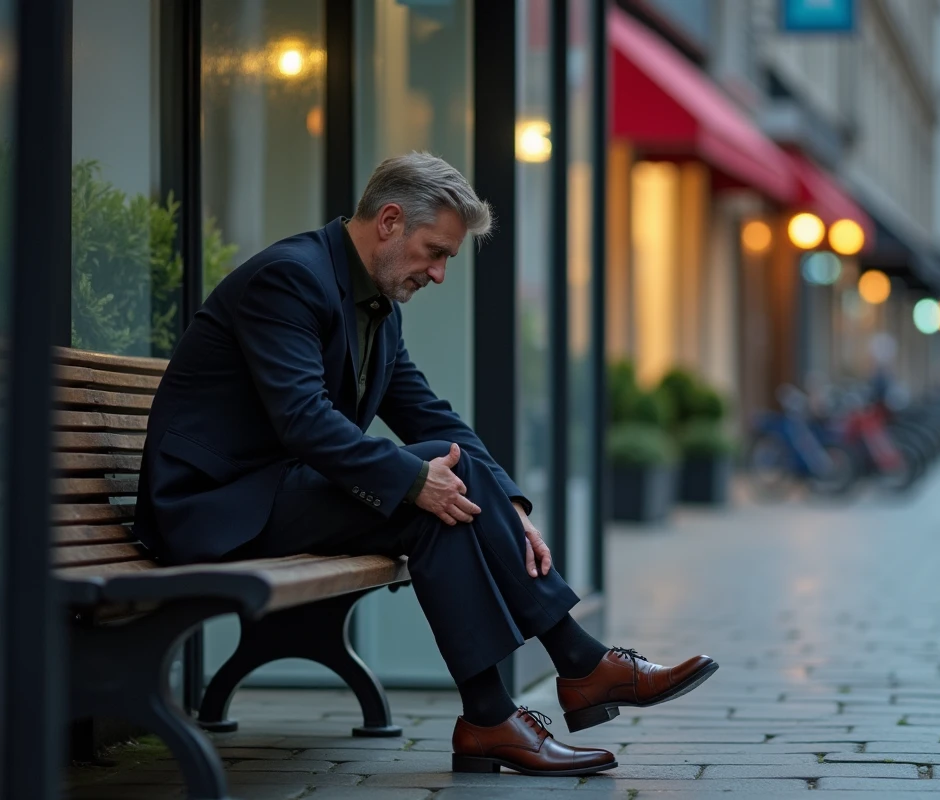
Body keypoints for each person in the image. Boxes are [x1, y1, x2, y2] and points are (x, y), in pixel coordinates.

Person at [133, 153, 717, 777]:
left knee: (441, 491)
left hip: (277, 492)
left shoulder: (377, 308)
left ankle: (498, 715)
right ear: (389, 220)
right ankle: (570, 667)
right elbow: (302, 419)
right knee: (432, 483)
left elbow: (431, 417)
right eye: (435, 251)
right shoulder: (290, 278)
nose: (439, 274)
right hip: (213, 508)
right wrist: (416, 480)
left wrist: (512, 509)